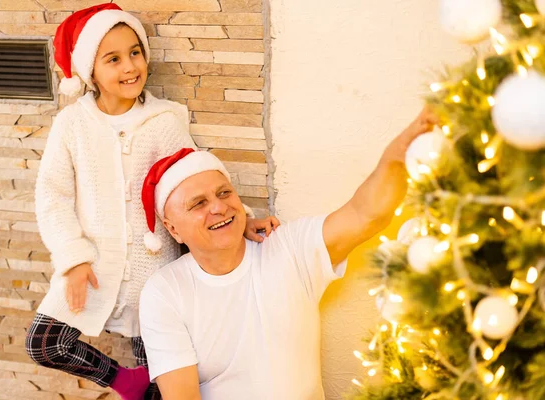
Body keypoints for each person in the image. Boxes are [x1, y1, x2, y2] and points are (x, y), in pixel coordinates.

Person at [24, 4, 278, 400]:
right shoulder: (72, 124)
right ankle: (126, 381)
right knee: (45, 342)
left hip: (153, 268)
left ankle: (146, 384)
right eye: (113, 59)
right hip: (93, 264)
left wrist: (239, 220)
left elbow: (197, 182)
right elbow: (52, 195)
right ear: (91, 70)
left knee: (163, 377)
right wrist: (73, 259)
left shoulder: (164, 121)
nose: (130, 67)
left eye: (135, 53)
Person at [138, 108, 438, 399]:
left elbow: (366, 214)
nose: (218, 207)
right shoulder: (164, 293)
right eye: (198, 204)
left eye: (224, 192)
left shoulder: (288, 248)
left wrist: (400, 152)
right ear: (172, 229)